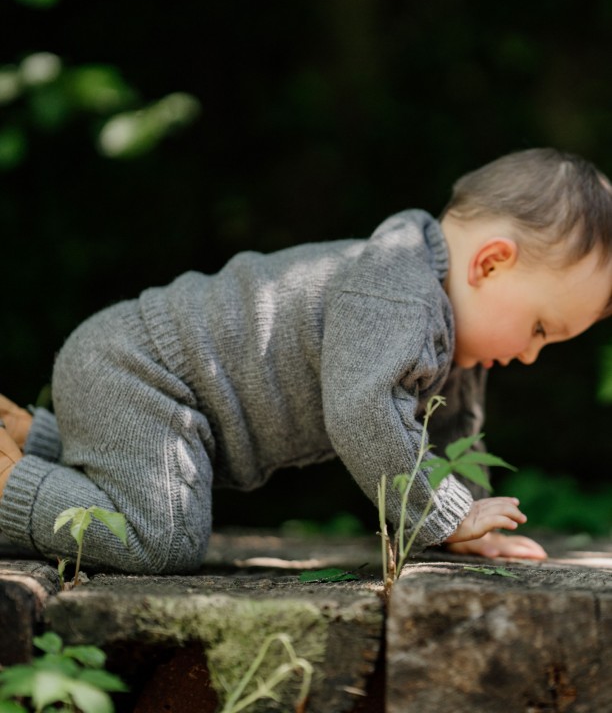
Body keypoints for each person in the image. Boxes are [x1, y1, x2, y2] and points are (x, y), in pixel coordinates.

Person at [1, 148, 610, 574]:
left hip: (150, 387)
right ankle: (10, 482)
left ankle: (41, 443)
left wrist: (467, 528)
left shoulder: (446, 332)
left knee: (165, 511)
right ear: (491, 263)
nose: (531, 354)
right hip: (142, 374)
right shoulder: (399, 292)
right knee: (160, 540)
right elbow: (362, 410)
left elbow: (444, 434)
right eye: (538, 328)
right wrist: (443, 515)